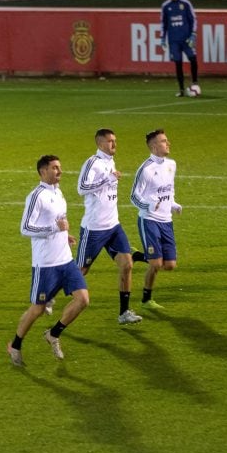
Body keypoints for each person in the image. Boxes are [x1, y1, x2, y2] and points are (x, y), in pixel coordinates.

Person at [8, 155, 89, 367]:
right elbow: (25, 228)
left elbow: (57, 222)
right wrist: (55, 229)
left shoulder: (59, 193)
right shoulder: (36, 196)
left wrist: (65, 235)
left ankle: (53, 334)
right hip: (45, 264)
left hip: (65, 260)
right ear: (43, 171)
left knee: (83, 300)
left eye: (60, 167)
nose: (60, 171)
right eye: (55, 168)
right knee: (38, 309)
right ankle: (15, 344)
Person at [76, 129, 143, 325]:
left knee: (127, 264)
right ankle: (48, 296)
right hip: (94, 228)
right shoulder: (92, 163)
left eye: (115, 140)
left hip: (113, 225)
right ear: (100, 144)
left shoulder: (109, 161)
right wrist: (108, 179)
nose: (114, 144)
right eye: (110, 141)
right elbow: (82, 188)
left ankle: (124, 313)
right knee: (80, 270)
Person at [131, 129, 182, 310]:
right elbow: (134, 196)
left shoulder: (171, 164)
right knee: (155, 263)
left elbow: (170, 189)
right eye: (163, 141)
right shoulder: (146, 169)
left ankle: (137, 255)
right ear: (153, 147)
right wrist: (148, 207)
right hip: (149, 220)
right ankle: (146, 299)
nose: (168, 144)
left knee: (170, 265)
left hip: (166, 221)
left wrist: (174, 204)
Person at [160, 0, 199, 97]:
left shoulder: (186, 3)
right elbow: (163, 24)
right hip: (174, 42)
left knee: (193, 59)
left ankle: (195, 84)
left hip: (187, 40)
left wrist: (193, 34)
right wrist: (162, 38)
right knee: (178, 64)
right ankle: (181, 90)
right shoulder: (165, 6)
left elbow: (193, 19)